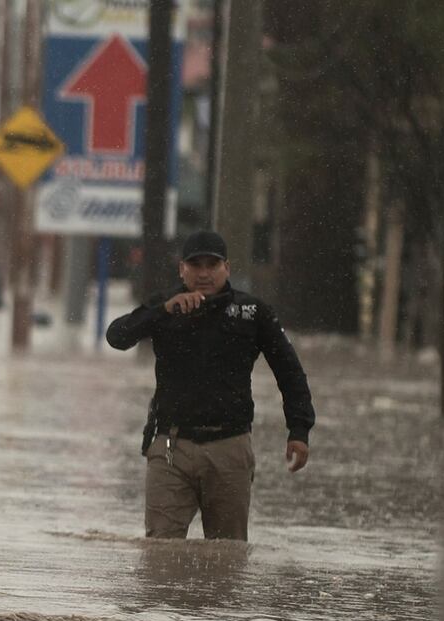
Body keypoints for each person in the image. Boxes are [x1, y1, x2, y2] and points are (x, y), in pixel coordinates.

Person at [106, 230, 314, 541]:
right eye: (195, 265)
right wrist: (163, 311)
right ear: (182, 270)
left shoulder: (252, 313)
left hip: (229, 447)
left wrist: (299, 430)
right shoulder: (165, 307)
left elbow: (290, 372)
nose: (204, 273)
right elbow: (116, 336)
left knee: (227, 556)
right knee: (160, 553)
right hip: (170, 447)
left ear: (227, 268)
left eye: (212, 265)